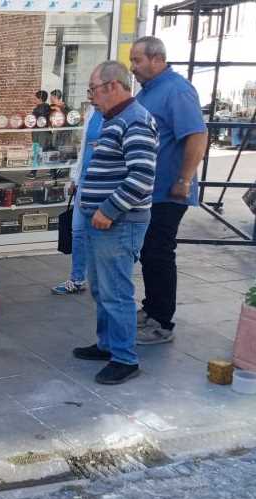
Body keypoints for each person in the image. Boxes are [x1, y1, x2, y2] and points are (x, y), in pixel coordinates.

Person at [73, 61, 158, 386]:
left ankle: (124, 358)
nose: (91, 97)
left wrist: (108, 210)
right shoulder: (116, 119)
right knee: (101, 288)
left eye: (93, 90)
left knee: (116, 291)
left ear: (112, 86)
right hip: (102, 223)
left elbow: (141, 177)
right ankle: (107, 344)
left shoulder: (135, 120)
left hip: (118, 223)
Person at [130, 36, 208, 345]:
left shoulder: (177, 90)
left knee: (159, 253)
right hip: (149, 191)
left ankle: (162, 322)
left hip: (169, 191)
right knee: (149, 252)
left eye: (137, 60)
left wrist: (184, 180)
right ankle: (152, 309)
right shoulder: (150, 91)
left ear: (157, 59)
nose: (132, 67)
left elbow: (197, 136)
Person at [51, 105, 103, 295]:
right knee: (78, 232)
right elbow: (83, 149)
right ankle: (77, 278)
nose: (90, 94)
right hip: (84, 182)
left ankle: (100, 282)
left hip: (101, 186)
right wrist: (75, 177)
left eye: (93, 89)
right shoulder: (91, 112)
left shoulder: (115, 113)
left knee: (97, 236)